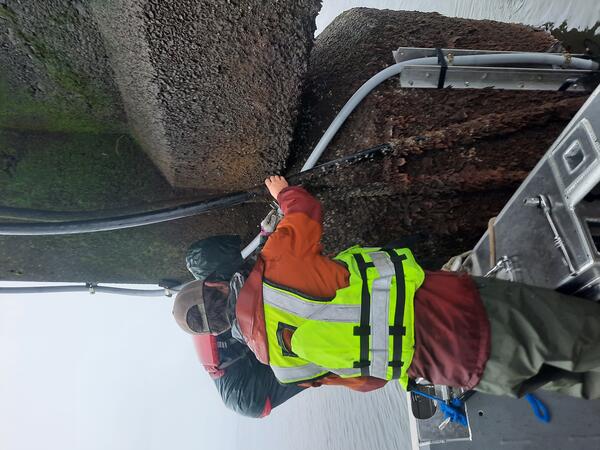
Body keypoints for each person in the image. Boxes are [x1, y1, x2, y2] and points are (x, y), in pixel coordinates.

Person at [174, 175, 600, 401]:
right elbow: (305, 210)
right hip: (472, 317)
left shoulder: (283, 368)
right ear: (214, 282)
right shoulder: (276, 266)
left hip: (461, 372)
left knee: (585, 381)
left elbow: (368, 382)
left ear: (217, 333)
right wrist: (283, 192)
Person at [177, 235, 304, 418]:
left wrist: (265, 238)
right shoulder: (235, 319)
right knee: (311, 356)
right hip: (248, 394)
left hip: (240, 361)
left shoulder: (211, 277)